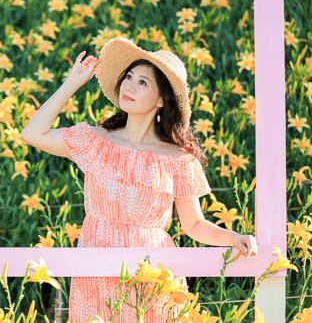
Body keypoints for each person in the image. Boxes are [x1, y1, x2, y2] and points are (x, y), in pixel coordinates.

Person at [20, 37, 259, 323]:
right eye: (129, 77)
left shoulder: (177, 159)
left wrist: (234, 238)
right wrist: (72, 82)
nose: (129, 86)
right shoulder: (97, 141)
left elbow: (194, 224)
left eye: (143, 82)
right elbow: (32, 134)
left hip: (152, 272)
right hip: (96, 265)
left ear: (161, 99)